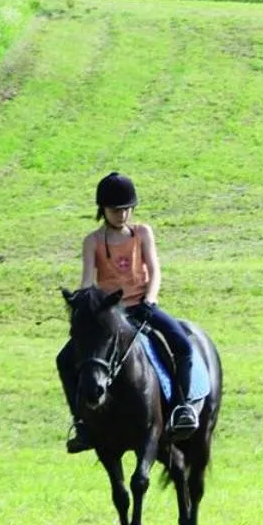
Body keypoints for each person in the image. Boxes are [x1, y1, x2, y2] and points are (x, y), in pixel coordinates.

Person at [58, 172, 200, 452]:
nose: (122, 215)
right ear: (102, 210)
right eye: (115, 210)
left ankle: (181, 408)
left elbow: (155, 271)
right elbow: (87, 282)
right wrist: (84, 304)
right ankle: (82, 423)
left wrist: (150, 300)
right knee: (64, 360)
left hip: (142, 307)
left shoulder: (143, 233)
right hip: (110, 315)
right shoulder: (92, 241)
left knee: (182, 345)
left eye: (126, 209)